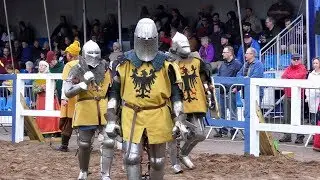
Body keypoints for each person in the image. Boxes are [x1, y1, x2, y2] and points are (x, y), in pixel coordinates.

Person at [105, 18, 188, 180]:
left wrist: (179, 119)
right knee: (131, 158)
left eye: (150, 40)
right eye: (143, 40)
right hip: (132, 114)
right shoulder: (124, 62)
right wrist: (110, 119)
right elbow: (114, 92)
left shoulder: (166, 63)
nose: (146, 43)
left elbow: (176, 93)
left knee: (157, 161)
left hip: (158, 114)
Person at [63, 40, 114, 180]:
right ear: (84, 54)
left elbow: (112, 89)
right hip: (85, 109)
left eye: (96, 52)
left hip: (104, 108)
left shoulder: (106, 67)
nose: (94, 55)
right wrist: (83, 83)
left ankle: (105, 174)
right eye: (90, 52)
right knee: (84, 144)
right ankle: (83, 171)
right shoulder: (76, 68)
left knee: (109, 142)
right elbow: (68, 92)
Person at [167, 31, 212, 173]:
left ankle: (183, 153)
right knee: (174, 135)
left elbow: (204, 76)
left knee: (200, 134)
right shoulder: (169, 62)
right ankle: (174, 163)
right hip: (175, 101)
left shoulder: (196, 60)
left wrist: (207, 89)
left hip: (194, 101)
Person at [56, 41, 80, 152]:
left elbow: (66, 84)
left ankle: (64, 145)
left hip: (71, 98)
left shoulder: (68, 66)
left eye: (67, 54)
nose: (66, 55)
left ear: (71, 55)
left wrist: (64, 98)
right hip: (81, 98)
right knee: (82, 122)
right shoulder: (83, 64)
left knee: (67, 122)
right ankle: (84, 145)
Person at [279, 53, 307, 144]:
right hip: (287, 95)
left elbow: (299, 77)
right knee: (286, 117)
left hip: (299, 96)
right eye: (294, 59)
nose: (296, 61)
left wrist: (289, 77)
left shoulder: (303, 68)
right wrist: (291, 78)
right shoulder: (288, 68)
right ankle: (287, 135)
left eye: (297, 59)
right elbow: (283, 77)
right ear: (291, 60)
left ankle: (300, 137)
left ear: (300, 59)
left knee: (299, 117)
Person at [215, 46, 242, 138]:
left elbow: (240, 78)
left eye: (224, 52)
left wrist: (237, 88)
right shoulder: (222, 65)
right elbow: (218, 76)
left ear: (230, 53)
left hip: (231, 91)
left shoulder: (237, 64)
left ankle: (234, 130)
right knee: (222, 111)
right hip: (222, 91)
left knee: (232, 111)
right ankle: (223, 129)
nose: (222, 54)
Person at [33, 61, 60, 136]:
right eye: (40, 65)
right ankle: (43, 132)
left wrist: (48, 88)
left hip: (50, 98)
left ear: (46, 67)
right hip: (41, 99)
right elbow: (34, 89)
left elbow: (54, 88)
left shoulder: (51, 76)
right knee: (42, 116)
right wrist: (41, 88)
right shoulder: (37, 77)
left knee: (51, 116)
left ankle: (53, 132)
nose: (40, 67)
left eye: (42, 65)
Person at [305, 57, 320, 145]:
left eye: (316, 63)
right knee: (313, 118)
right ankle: (314, 137)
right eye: (314, 63)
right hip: (312, 98)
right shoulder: (310, 74)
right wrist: (307, 96)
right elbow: (307, 86)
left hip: (319, 98)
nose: (315, 65)